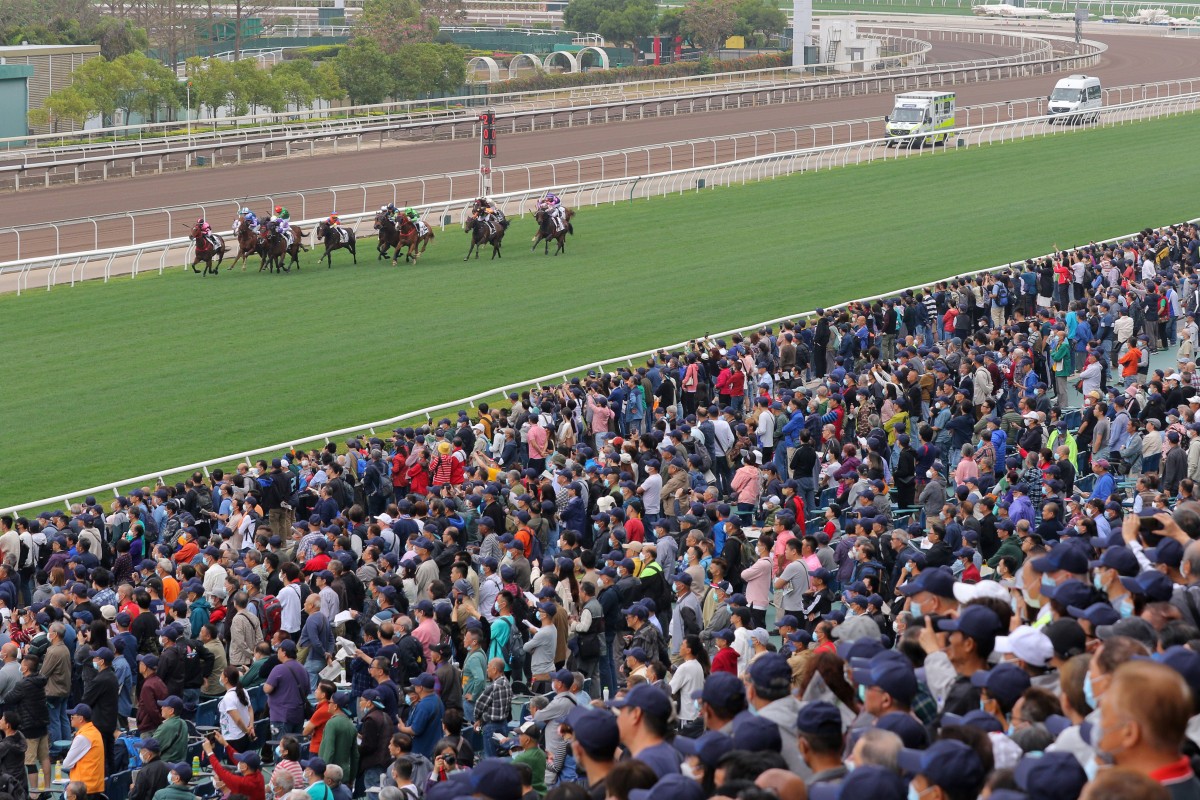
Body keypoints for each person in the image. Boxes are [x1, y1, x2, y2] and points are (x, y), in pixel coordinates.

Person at [62, 704, 104, 799]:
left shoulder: (82, 737)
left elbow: (66, 764)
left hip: (81, 789)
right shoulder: (95, 732)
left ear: (81, 719)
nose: (70, 719)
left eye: (72, 717)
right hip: (94, 786)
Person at [217, 666, 256, 753]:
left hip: (234, 738)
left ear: (226, 679)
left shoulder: (228, 698)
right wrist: (251, 727)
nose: (220, 677)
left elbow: (237, 720)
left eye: (222, 675)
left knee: (234, 765)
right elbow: (250, 709)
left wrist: (247, 730)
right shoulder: (243, 691)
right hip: (243, 734)